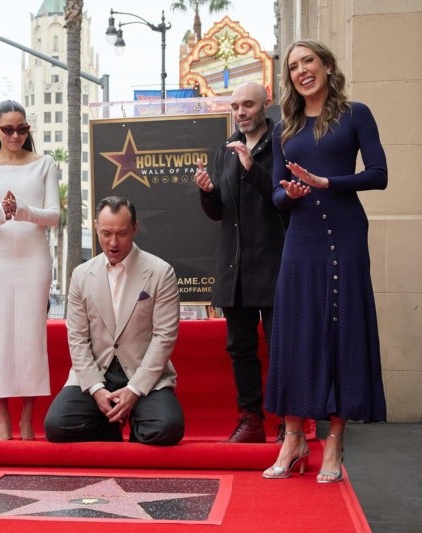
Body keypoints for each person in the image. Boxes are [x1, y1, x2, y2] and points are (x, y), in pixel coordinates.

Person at [263, 40, 387, 482]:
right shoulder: (284, 128)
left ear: (327, 65)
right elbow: (277, 193)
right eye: (294, 66)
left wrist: (325, 181)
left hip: (347, 236)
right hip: (302, 240)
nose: (301, 71)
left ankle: (334, 442)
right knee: (297, 332)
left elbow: (379, 174)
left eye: (308, 61)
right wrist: (291, 192)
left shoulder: (356, 114)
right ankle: (293, 438)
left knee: (341, 329)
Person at [44, 196, 184, 446]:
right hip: (96, 371)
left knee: (167, 429)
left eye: (122, 233)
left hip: (144, 373)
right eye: (106, 233)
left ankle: (135, 419)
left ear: (135, 229)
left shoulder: (161, 272)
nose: (113, 242)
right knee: (57, 426)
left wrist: (134, 391)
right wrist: (96, 389)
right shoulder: (81, 275)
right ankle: (108, 426)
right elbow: (77, 338)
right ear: (96, 227)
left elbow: (164, 337)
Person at [194, 82, 286, 443]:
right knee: (240, 348)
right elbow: (219, 212)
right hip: (234, 268)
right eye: (235, 106)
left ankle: (287, 421)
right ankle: (251, 420)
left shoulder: (282, 143)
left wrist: (252, 167)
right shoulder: (224, 151)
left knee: (280, 346)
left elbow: (283, 199)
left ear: (266, 104)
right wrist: (207, 192)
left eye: (248, 104)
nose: (241, 111)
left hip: (275, 263)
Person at [0, 100, 59, 440]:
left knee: (32, 337)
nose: (15, 135)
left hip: (34, 259)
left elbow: (53, 215)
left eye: (22, 129)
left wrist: (21, 210)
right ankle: (2, 417)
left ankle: (27, 418)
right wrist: (2, 214)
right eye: (8, 129)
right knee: (0, 337)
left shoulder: (44, 164)